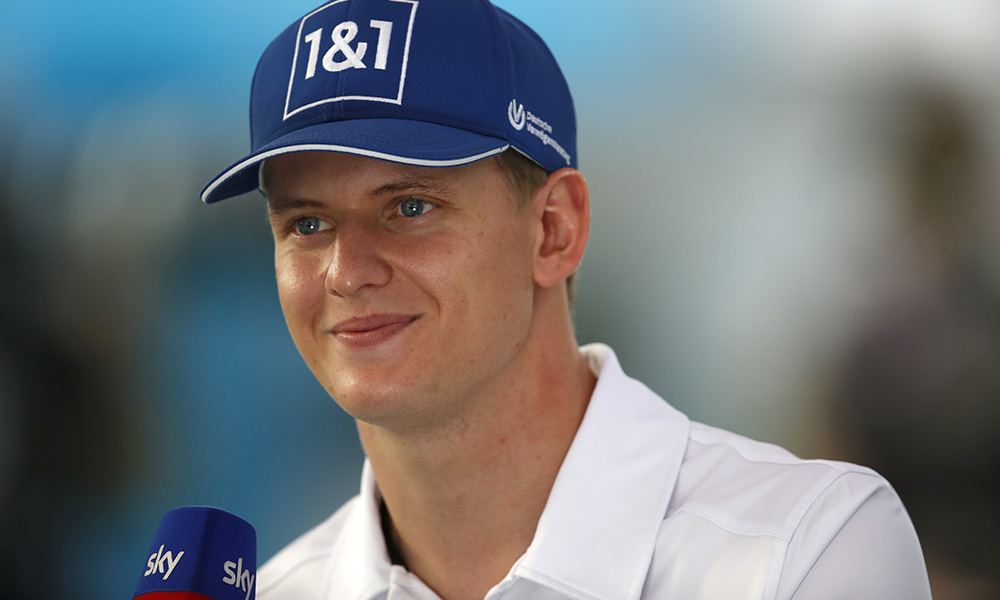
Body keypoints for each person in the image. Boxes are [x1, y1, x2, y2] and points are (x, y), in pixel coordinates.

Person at [201, 1, 932, 598]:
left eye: (410, 207)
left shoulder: (802, 550)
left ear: (555, 230)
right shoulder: (276, 591)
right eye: (306, 224)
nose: (345, 272)